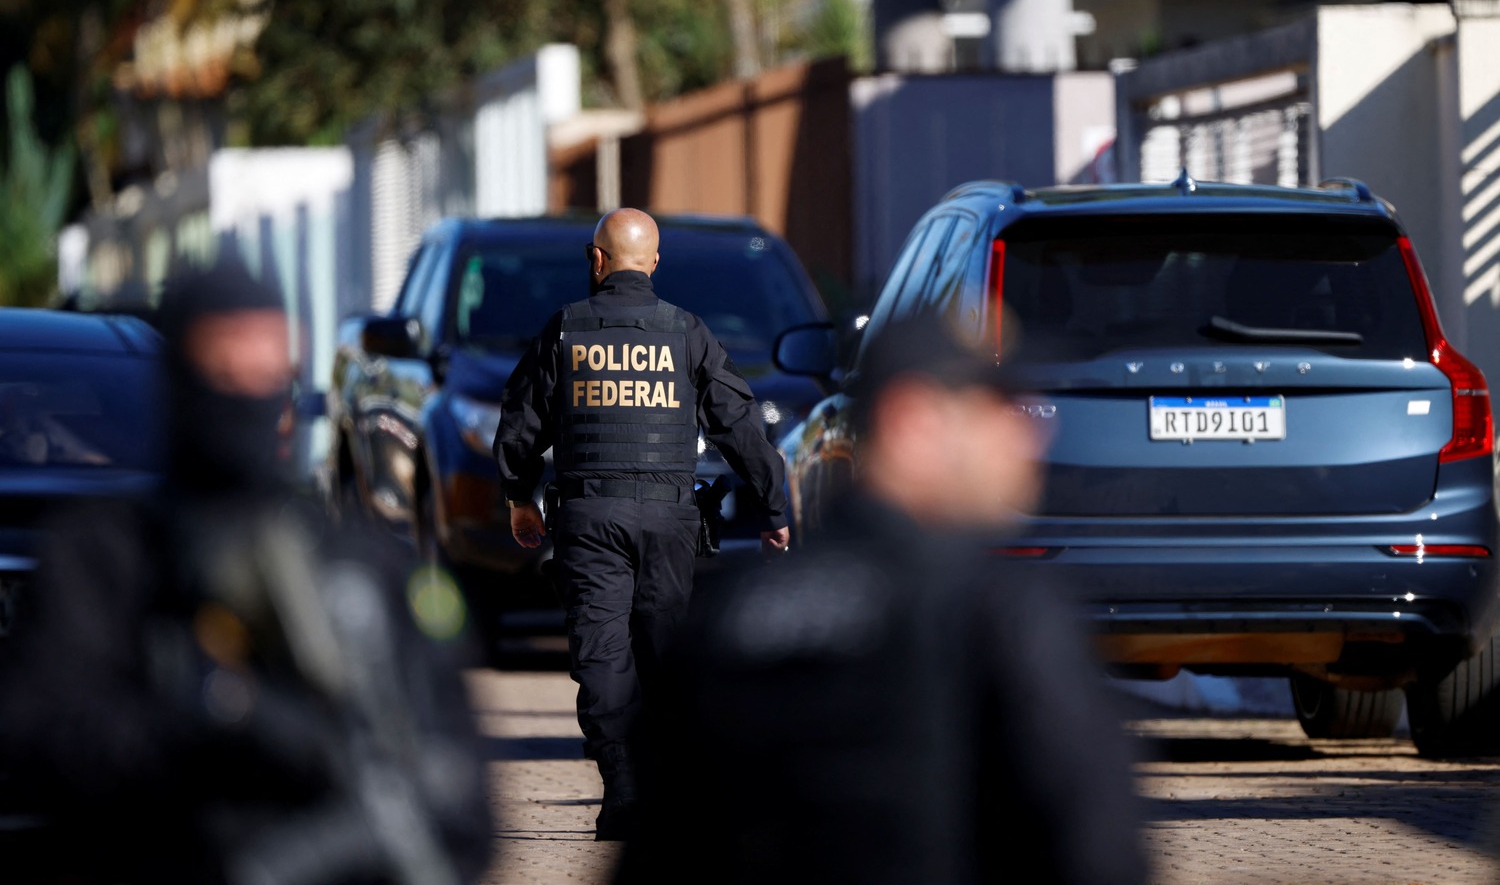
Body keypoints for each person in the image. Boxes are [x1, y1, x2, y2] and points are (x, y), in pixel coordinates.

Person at [0, 254, 494, 884]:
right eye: (223, 366)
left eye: (266, 368)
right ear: (180, 377)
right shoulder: (107, 556)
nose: (247, 388)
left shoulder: (362, 560)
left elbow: (461, 804)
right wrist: (206, 721)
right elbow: (42, 740)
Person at [615, 311, 1150, 885]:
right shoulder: (994, 611)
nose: (1031, 432)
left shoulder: (722, 616)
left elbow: (656, 853)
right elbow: (1097, 850)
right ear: (912, 422)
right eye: (997, 407)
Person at [494, 207, 791, 840]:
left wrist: (520, 496)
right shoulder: (686, 332)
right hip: (669, 520)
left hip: (589, 517)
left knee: (602, 656)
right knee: (667, 654)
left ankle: (625, 795)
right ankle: (675, 795)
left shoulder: (565, 331)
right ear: (654, 263)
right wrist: (774, 509)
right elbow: (740, 424)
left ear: (595, 260)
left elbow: (519, 426)